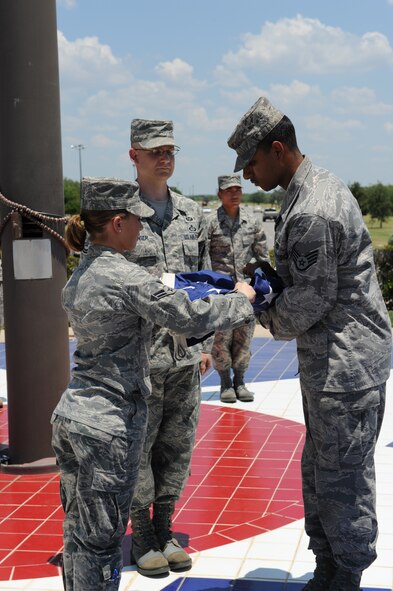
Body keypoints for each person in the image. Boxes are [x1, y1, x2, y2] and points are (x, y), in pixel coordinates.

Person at [51, 177, 256, 591]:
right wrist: (242, 299)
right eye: (137, 221)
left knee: (78, 535)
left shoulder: (82, 273)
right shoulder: (125, 276)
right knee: (103, 545)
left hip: (73, 416)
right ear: (117, 223)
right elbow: (185, 316)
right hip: (109, 424)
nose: (143, 228)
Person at [227, 97, 392, 591]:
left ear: (277, 149)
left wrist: (256, 305)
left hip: (345, 366)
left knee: (341, 478)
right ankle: (330, 570)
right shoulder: (309, 189)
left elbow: (309, 304)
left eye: (252, 163)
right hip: (336, 363)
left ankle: (345, 576)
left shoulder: (312, 208)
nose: (249, 175)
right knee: (323, 467)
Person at [125, 119, 214, 576]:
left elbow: (204, 282)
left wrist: (205, 343)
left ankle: (166, 529)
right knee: (139, 447)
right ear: (133, 155)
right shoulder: (121, 214)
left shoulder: (191, 213)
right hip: (139, 357)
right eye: (155, 150)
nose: (165, 158)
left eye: (170, 150)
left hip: (183, 357)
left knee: (177, 446)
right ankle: (141, 535)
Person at [207, 173, 270, 403]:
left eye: (237, 190)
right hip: (221, 293)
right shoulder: (211, 223)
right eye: (229, 190)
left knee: (244, 338)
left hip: (246, 293)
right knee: (221, 339)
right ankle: (225, 382)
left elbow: (262, 256)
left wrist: (263, 284)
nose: (234, 194)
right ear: (220, 194)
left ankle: (240, 381)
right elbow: (203, 257)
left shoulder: (252, 222)